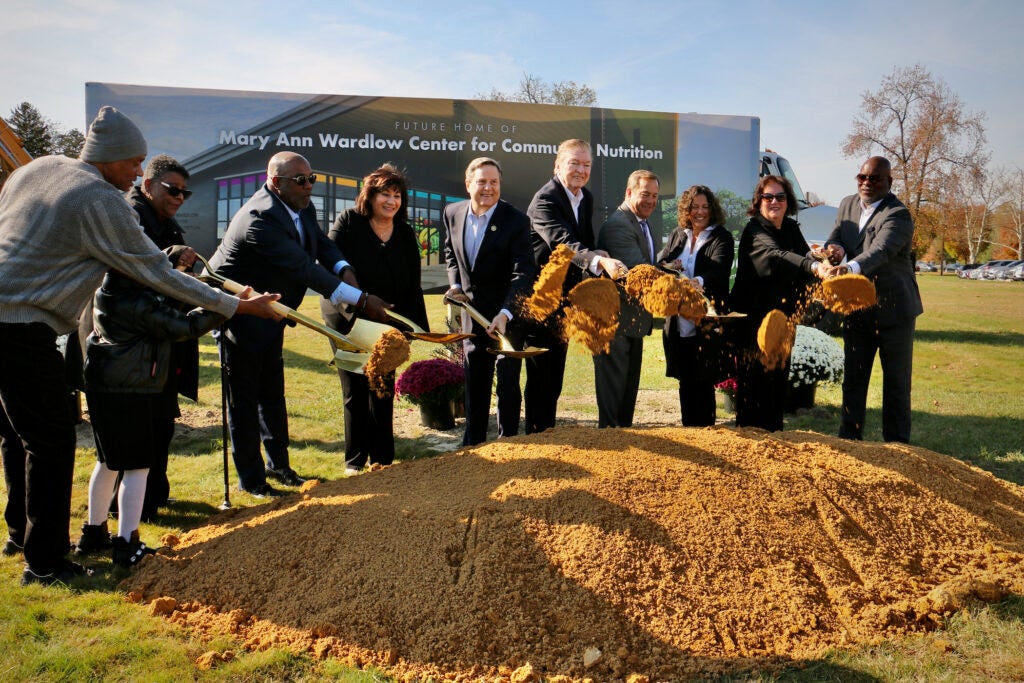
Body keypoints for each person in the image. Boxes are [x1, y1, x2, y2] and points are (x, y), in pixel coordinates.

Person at [0, 105, 283, 586]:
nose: (137, 173)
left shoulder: (38, 168)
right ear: (108, 156)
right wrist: (236, 306)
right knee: (51, 442)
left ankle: (22, 536)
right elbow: (155, 273)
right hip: (21, 329)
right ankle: (44, 564)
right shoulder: (100, 198)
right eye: (133, 162)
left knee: (17, 435)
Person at [209, 151, 390, 497]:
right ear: (276, 183)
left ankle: (280, 466)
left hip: (272, 317)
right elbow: (302, 267)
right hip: (242, 319)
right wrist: (362, 299)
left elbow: (322, 246)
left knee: (272, 397)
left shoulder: (301, 206)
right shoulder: (259, 218)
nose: (309, 187)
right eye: (301, 180)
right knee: (244, 404)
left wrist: (343, 269)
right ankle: (253, 480)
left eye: (312, 179)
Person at [76, 247, 224, 566]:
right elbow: (182, 326)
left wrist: (174, 264)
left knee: (108, 461)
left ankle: (94, 532)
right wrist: (223, 306)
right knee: (139, 466)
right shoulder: (132, 301)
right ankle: (128, 543)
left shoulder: (112, 287)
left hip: (104, 384)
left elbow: (164, 303)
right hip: (128, 388)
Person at [320, 164, 427, 473]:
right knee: (355, 388)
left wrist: (412, 329)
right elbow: (330, 268)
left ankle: (383, 460)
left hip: (386, 323)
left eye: (397, 195)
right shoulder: (349, 222)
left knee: (382, 387)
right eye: (385, 194)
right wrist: (358, 307)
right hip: (348, 319)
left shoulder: (405, 233)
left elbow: (412, 285)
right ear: (370, 195)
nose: (391, 201)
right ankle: (354, 462)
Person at [817, 156, 923, 443]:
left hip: (895, 311)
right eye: (862, 177)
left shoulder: (897, 214)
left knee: (897, 384)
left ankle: (898, 447)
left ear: (888, 182)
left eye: (874, 178)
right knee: (854, 379)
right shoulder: (848, 204)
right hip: (858, 308)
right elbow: (838, 235)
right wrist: (834, 250)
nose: (866, 183)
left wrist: (848, 267)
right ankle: (848, 440)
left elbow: (881, 251)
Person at [525, 139, 626, 434]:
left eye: (586, 165)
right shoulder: (544, 200)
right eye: (574, 163)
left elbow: (583, 239)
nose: (581, 170)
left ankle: (547, 433)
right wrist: (596, 261)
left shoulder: (585, 198)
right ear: (557, 165)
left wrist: (599, 253)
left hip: (565, 302)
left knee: (554, 375)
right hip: (540, 299)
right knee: (542, 375)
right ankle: (536, 436)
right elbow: (564, 244)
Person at [443, 157, 536, 445]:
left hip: (507, 317)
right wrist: (455, 286)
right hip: (473, 316)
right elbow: (450, 252)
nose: (488, 188)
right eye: (482, 181)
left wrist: (506, 313)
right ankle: (474, 444)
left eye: (494, 182)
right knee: (476, 380)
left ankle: (508, 443)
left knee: (507, 382)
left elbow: (524, 273)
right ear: (468, 184)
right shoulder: (452, 213)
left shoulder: (516, 220)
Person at [127, 154, 198, 519]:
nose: (179, 198)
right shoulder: (130, 218)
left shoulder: (166, 221)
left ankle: (155, 494)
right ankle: (129, 508)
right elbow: (134, 268)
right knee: (139, 427)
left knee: (163, 420)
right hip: (131, 346)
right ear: (147, 185)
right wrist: (172, 256)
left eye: (185, 192)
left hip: (161, 341)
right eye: (173, 190)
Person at [728, 175, 824, 432]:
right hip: (754, 322)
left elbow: (804, 255)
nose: (774, 202)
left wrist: (823, 259)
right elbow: (776, 256)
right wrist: (812, 264)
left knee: (777, 380)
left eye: (780, 197)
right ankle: (748, 439)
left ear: (788, 201)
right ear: (759, 201)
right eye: (768, 197)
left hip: (783, 320)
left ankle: (773, 439)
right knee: (754, 383)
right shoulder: (754, 229)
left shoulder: (791, 228)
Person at [658, 185, 735, 426]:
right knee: (685, 378)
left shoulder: (721, 236)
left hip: (705, 320)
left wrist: (697, 281)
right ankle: (689, 429)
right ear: (686, 210)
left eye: (704, 207)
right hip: (678, 320)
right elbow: (662, 261)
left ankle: (705, 430)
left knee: (703, 379)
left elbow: (720, 271)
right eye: (694, 207)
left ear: (712, 209)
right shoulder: (678, 234)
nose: (699, 212)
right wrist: (671, 266)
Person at [593, 170, 660, 428]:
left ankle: (623, 452)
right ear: (629, 193)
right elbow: (638, 273)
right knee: (613, 405)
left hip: (633, 323)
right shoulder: (618, 225)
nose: (651, 201)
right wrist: (679, 285)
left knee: (625, 401)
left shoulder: (642, 223)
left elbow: (648, 266)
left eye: (654, 196)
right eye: (645, 194)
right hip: (614, 326)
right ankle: (610, 451)